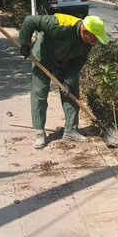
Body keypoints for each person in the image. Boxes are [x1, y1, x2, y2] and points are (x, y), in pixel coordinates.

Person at [18, 13, 109, 149]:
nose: (96, 42)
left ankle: (71, 131)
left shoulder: (87, 44)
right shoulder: (60, 24)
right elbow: (29, 20)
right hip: (43, 57)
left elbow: (78, 63)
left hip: (66, 63)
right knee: (39, 93)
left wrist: (67, 82)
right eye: (95, 38)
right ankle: (39, 132)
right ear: (85, 32)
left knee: (71, 91)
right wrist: (25, 43)